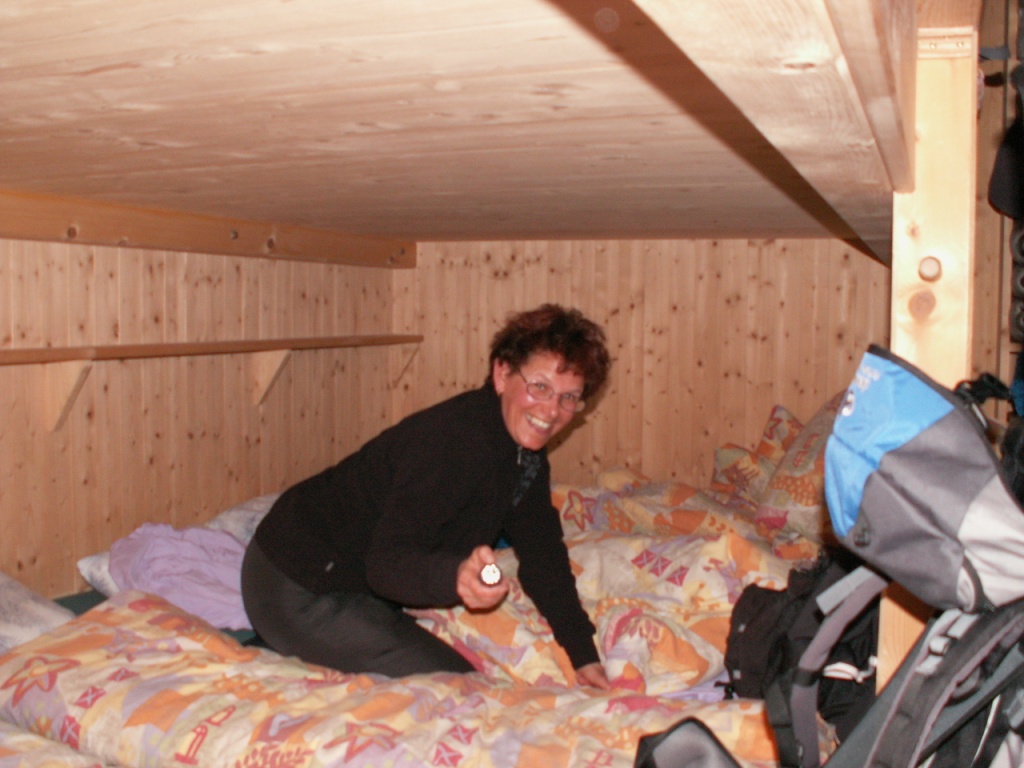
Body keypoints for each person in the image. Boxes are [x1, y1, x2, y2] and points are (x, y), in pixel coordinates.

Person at [241, 303, 612, 689]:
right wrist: (455, 577)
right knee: (464, 689)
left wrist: (582, 652)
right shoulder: (451, 443)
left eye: (569, 397)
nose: (551, 410)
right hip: (296, 580)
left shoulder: (524, 455)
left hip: (358, 579)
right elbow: (386, 564)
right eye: (540, 387)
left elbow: (543, 554)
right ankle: (279, 642)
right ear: (502, 373)